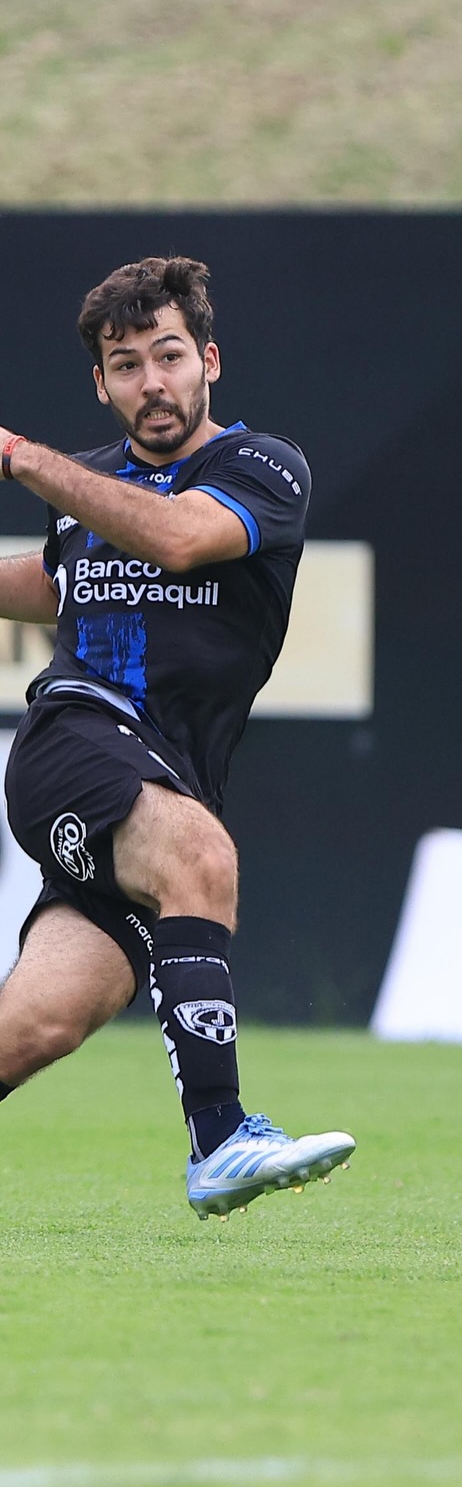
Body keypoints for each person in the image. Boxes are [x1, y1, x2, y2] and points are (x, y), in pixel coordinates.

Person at [0, 255, 354, 1219]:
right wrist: (45, 479)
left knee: (35, 1025)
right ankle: (222, 1135)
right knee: (198, 854)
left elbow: (178, 539)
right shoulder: (90, 483)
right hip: (77, 738)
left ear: (209, 360)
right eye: (125, 365)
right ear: (101, 383)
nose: (150, 383)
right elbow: (55, 579)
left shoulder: (260, 467)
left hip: (165, 767)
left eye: (167, 356)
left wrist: (22, 456)